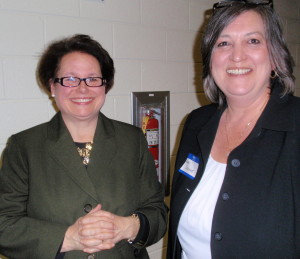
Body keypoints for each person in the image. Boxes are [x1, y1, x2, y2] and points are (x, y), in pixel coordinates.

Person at [0, 34, 167, 259]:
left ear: (105, 86)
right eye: (70, 79)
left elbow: (158, 212)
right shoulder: (23, 147)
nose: (82, 89)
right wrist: (67, 237)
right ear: (52, 86)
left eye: (92, 79)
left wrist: (128, 226)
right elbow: (4, 225)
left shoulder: (133, 139)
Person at [168, 0, 299, 258]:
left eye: (253, 41)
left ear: (275, 57)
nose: (237, 55)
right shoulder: (196, 123)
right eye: (224, 43)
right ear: (210, 60)